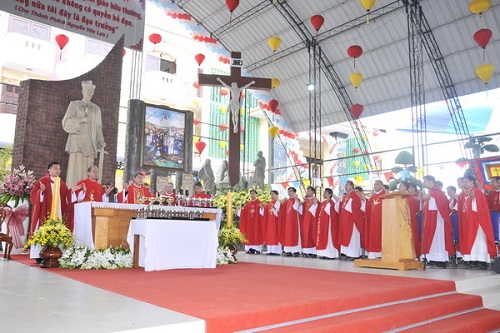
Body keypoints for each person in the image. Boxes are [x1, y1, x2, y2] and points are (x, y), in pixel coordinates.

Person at [30, 162, 80, 258]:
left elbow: (66, 198)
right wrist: (41, 191)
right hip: (44, 213)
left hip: (58, 214)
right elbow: (33, 195)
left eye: (59, 169)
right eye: (55, 168)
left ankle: (56, 253)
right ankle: (38, 255)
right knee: (41, 229)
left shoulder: (62, 184)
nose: (58, 170)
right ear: (49, 170)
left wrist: (71, 192)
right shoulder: (42, 181)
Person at [62, 80, 106, 187]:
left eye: (91, 91)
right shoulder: (75, 104)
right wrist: (80, 119)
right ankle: (73, 189)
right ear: (82, 91)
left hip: (90, 142)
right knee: (76, 167)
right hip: (77, 141)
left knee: (89, 167)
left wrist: (100, 140)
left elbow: (98, 127)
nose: (89, 93)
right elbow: (66, 121)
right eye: (87, 91)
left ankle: (88, 191)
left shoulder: (96, 109)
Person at [461, 175, 496, 269]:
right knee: (471, 240)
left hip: (478, 221)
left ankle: (482, 260)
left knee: (479, 240)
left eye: (466, 181)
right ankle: (472, 259)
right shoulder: (466, 193)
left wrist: (473, 197)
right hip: (469, 221)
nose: (464, 184)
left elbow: (481, 207)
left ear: (472, 182)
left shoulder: (477, 192)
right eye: (463, 182)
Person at [421, 175, 454, 268]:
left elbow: (440, 204)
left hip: (437, 219)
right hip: (431, 219)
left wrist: (430, 197)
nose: (424, 183)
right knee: (431, 238)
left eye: (425, 181)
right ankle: (431, 257)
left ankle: (440, 259)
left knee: (438, 238)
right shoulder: (431, 191)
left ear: (431, 181)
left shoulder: (436, 191)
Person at [338, 180, 364, 260]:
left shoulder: (354, 195)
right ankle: (347, 253)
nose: (346, 186)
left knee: (353, 237)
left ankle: (354, 255)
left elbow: (357, 206)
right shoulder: (346, 196)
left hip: (352, 220)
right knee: (346, 237)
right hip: (346, 220)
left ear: (352, 186)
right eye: (345, 185)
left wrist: (351, 201)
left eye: (347, 185)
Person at [315, 188, 340, 260]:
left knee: (329, 238)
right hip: (322, 224)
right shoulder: (323, 203)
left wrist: (337, 201)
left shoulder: (332, 203)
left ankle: (331, 255)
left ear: (330, 194)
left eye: (325, 193)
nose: (323, 194)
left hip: (329, 225)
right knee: (323, 239)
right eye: (324, 193)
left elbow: (334, 213)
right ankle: (324, 253)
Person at [278, 187, 302, 257]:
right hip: (287, 221)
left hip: (295, 221)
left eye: (291, 191)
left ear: (294, 192)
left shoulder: (297, 200)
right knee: (287, 235)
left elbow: (296, 208)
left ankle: (296, 251)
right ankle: (288, 251)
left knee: (295, 235)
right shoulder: (287, 201)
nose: (289, 193)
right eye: (288, 191)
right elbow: (282, 211)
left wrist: (296, 199)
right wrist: (282, 203)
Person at [398, 181, 420, 257]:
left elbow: (410, 209)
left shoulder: (410, 197)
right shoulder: (397, 196)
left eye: (401, 185)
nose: (399, 187)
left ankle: (412, 254)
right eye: (399, 185)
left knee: (410, 236)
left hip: (408, 219)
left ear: (405, 188)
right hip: (399, 220)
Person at [364, 180, 385, 259]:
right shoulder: (373, 197)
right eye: (375, 184)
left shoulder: (385, 195)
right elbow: (369, 208)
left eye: (377, 184)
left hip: (382, 220)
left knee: (381, 236)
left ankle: (381, 253)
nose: (375, 186)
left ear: (382, 186)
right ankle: (373, 253)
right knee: (373, 236)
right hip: (373, 221)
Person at [239, 189, 264, 254]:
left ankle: (258, 249)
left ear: (256, 194)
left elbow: (263, 213)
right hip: (249, 223)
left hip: (257, 223)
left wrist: (262, 208)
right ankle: (250, 249)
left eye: (253, 193)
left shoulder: (259, 203)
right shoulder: (248, 204)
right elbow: (243, 212)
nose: (252, 195)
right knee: (249, 235)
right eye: (251, 193)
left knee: (257, 234)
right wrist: (239, 209)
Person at [301, 186, 318, 258]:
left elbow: (316, 208)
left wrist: (311, 201)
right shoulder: (305, 201)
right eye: (307, 191)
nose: (307, 192)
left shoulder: (315, 199)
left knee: (311, 235)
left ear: (313, 192)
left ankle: (313, 252)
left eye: (309, 191)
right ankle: (306, 252)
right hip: (305, 221)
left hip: (312, 221)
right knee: (305, 235)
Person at [262, 190, 282, 256]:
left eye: (273, 194)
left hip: (276, 222)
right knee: (270, 235)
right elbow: (264, 212)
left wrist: (274, 209)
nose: (272, 195)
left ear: (276, 195)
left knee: (276, 235)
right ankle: (270, 250)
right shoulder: (269, 204)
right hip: (269, 223)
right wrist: (262, 208)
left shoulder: (278, 202)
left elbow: (279, 213)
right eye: (271, 194)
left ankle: (277, 251)